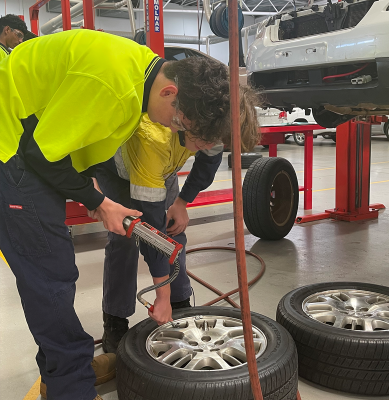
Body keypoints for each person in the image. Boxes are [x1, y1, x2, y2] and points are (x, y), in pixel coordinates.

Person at [0, 29, 234, 400]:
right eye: (179, 126)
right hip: (10, 145)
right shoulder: (116, 88)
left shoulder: (140, 79)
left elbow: (71, 138)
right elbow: (40, 152)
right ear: (170, 94)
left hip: (26, 139)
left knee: (50, 273)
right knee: (50, 275)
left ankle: (60, 375)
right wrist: (101, 203)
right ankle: (71, 389)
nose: (172, 131)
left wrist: (91, 195)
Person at [96, 86, 260, 353]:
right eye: (209, 142)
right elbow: (151, 229)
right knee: (126, 238)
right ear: (192, 125)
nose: (211, 148)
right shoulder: (154, 137)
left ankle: (181, 302)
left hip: (162, 169)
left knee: (174, 230)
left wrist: (182, 202)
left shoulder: (213, 127)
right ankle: (115, 320)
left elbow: (207, 163)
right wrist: (161, 294)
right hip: (119, 170)